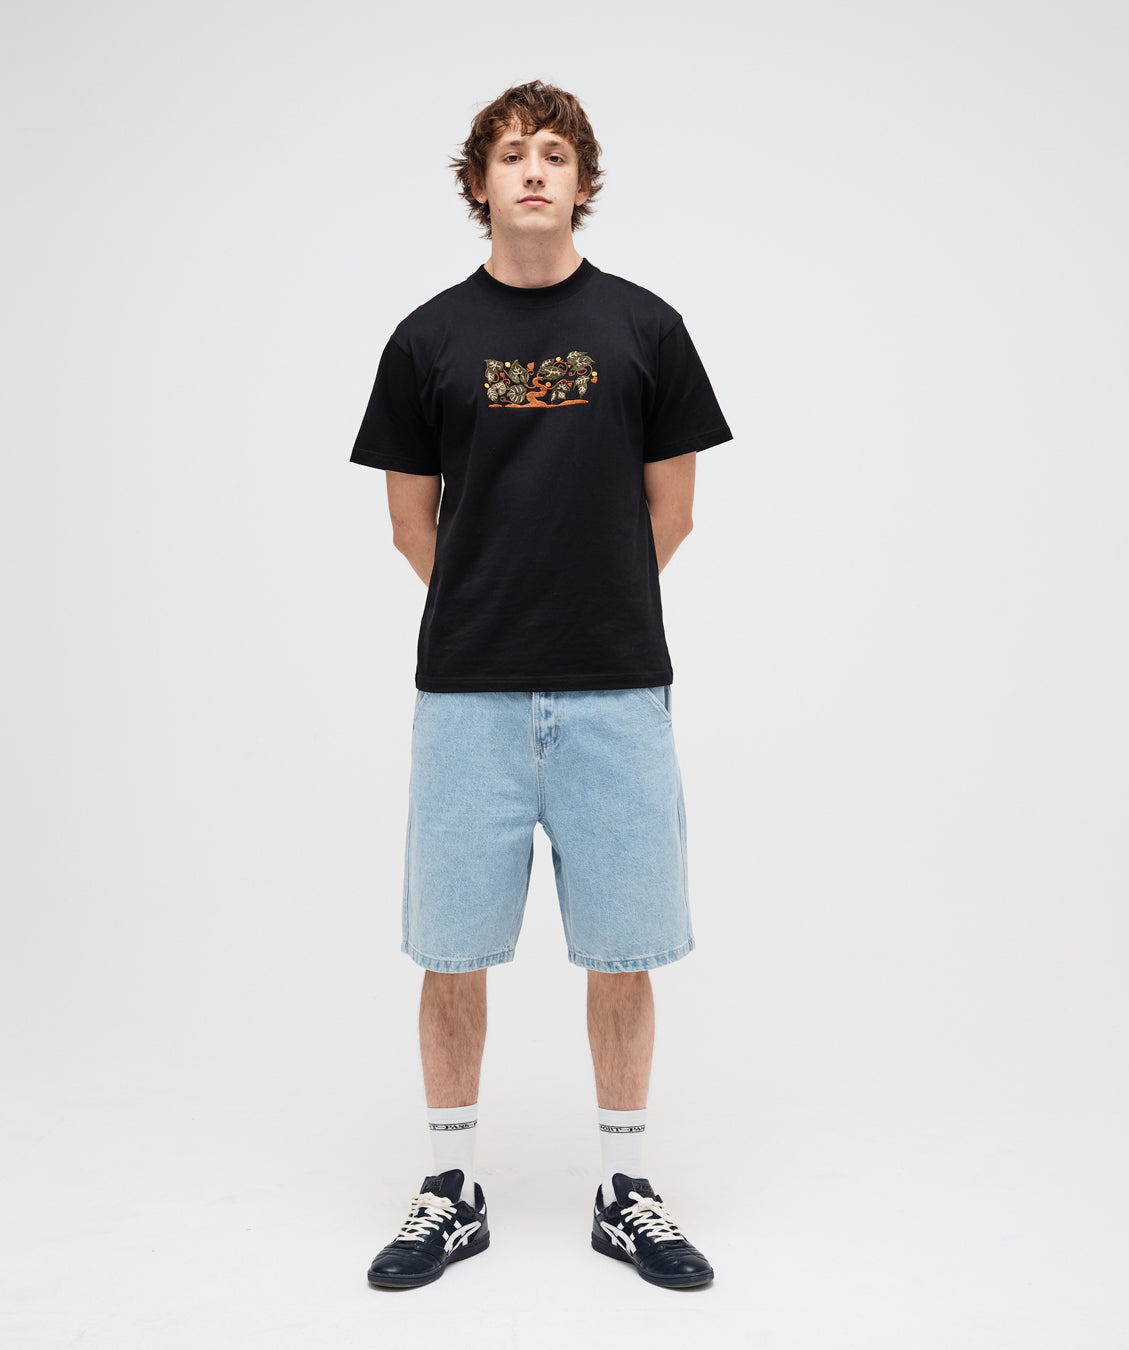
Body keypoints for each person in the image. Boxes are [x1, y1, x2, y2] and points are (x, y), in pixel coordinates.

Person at [349, 79, 733, 1291]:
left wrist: (583, 603)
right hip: (468, 695)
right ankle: (451, 1188)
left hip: (616, 690)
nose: (532, 170)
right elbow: (410, 523)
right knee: (451, 951)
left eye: (555, 154)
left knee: (623, 948)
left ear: (582, 182)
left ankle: (625, 1190)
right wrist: (495, 609)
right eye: (511, 153)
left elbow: (673, 510)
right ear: (479, 183)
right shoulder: (427, 340)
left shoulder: (645, 328)